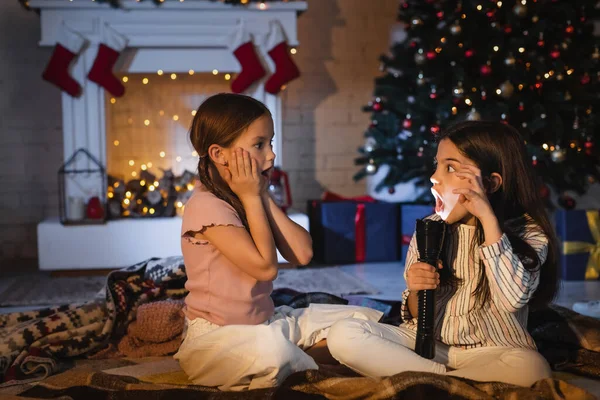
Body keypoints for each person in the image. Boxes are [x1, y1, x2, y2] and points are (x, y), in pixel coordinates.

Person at [173, 93, 382, 391]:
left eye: (270, 143)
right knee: (275, 352)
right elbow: (266, 268)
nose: (271, 155)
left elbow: (303, 253)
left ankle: (324, 352)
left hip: (266, 323)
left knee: (359, 317)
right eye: (259, 145)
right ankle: (322, 359)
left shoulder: (250, 198)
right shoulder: (206, 207)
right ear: (219, 154)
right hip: (217, 340)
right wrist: (249, 196)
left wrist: (261, 195)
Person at [327, 120, 559, 387]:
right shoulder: (430, 229)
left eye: (450, 167)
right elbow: (414, 313)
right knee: (345, 334)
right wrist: (416, 289)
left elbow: (513, 299)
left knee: (532, 369)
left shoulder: (528, 233)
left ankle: (426, 380)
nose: (435, 177)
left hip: (493, 350)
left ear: (491, 183)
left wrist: (487, 219)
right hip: (428, 346)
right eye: (437, 165)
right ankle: (444, 380)